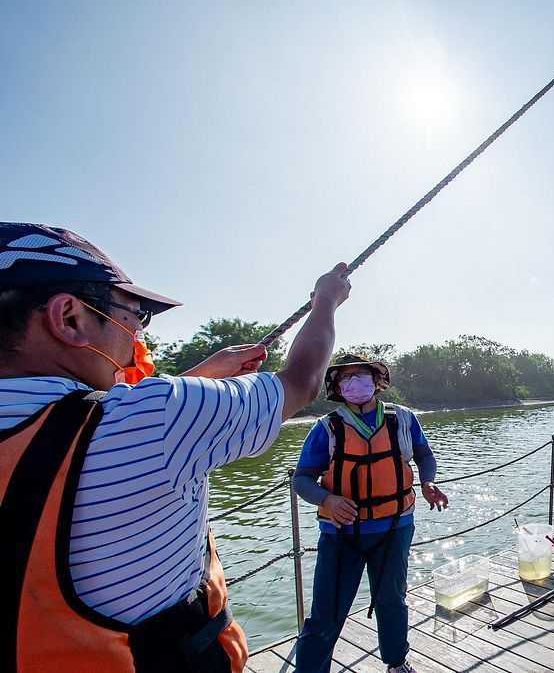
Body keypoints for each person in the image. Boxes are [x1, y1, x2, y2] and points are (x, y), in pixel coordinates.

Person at [0, 222, 350, 670]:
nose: (138, 335)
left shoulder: (140, 418)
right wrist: (326, 302)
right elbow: (302, 380)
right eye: (136, 314)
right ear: (70, 317)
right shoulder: (162, 414)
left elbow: (108, 421)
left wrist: (198, 378)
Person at [292, 354, 448, 673]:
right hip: (341, 534)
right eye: (346, 378)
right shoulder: (327, 428)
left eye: (361, 375)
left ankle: (396, 662)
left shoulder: (403, 419)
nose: (355, 382)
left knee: (392, 599)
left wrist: (428, 482)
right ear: (337, 387)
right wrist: (327, 500)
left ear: (376, 380)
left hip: (395, 527)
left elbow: (424, 455)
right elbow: (302, 479)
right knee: (327, 610)